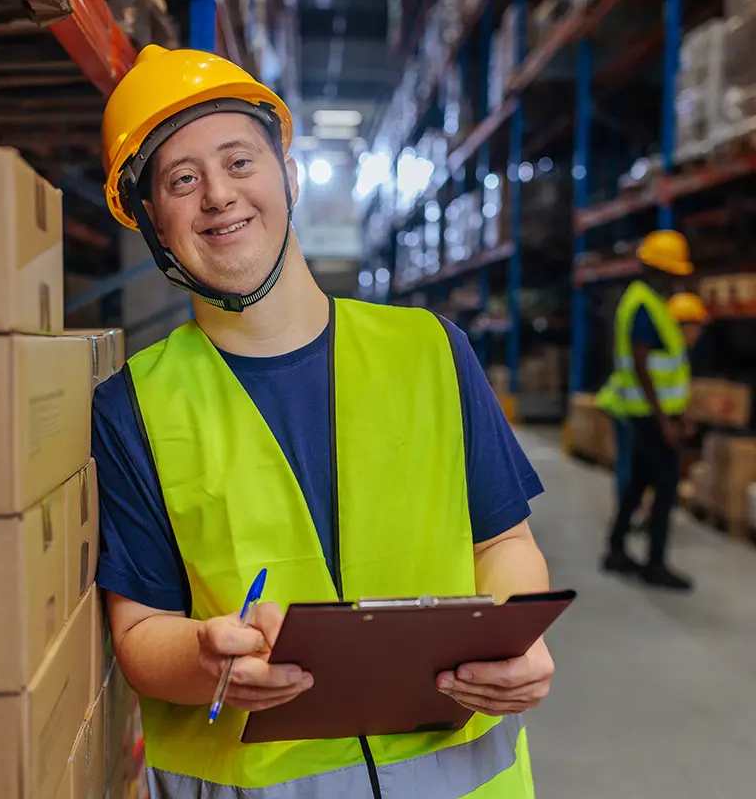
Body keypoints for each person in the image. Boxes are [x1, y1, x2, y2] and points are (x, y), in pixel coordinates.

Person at [93, 45, 552, 798]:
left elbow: (503, 541)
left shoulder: (431, 352)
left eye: (239, 161)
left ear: (290, 175)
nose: (217, 195)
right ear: (151, 220)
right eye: (182, 180)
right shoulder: (134, 406)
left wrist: (512, 635)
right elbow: (140, 631)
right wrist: (207, 659)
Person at [600, 230, 698, 591]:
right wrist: (664, 420)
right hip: (647, 414)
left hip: (650, 412)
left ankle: (615, 550)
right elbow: (642, 365)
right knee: (666, 486)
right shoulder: (643, 304)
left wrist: (678, 412)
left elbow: (665, 365)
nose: (675, 278)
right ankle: (655, 563)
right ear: (656, 269)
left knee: (638, 484)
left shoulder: (650, 301)